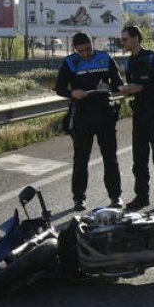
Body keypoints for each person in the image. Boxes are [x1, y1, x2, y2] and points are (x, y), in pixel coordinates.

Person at [55, 32, 124, 211]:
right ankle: (79, 198)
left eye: (87, 49)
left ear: (92, 44)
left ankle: (115, 196)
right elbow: (59, 88)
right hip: (82, 115)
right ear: (75, 50)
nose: (85, 54)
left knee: (110, 158)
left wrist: (109, 87)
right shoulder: (70, 62)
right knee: (80, 159)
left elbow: (118, 83)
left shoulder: (105, 58)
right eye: (81, 51)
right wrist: (72, 93)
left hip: (104, 113)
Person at [119, 25, 154, 211]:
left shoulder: (152, 58)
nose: (122, 42)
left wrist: (140, 88)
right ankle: (141, 197)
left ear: (136, 39)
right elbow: (132, 86)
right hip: (139, 115)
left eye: (125, 39)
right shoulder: (128, 62)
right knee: (139, 161)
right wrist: (125, 90)